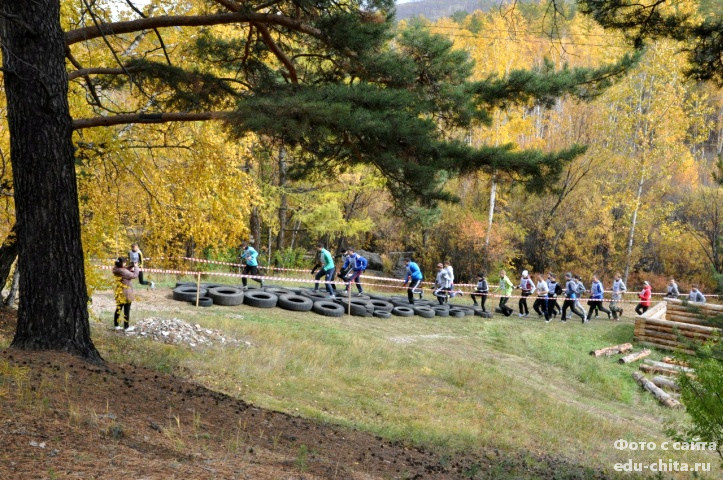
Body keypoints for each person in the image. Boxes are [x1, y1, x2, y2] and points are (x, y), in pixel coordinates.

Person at [112, 257, 139, 331]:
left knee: (118, 308)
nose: (125, 264)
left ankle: (116, 325)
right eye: (124, 262)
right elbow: (134, 275)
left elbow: (124, 269)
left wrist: (131, 266)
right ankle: (126, 327)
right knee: (126, 310)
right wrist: (136, 267)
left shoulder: (116, 269)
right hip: (126, 292)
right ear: (121, 263)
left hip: (119, 291)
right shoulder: (122, 271)